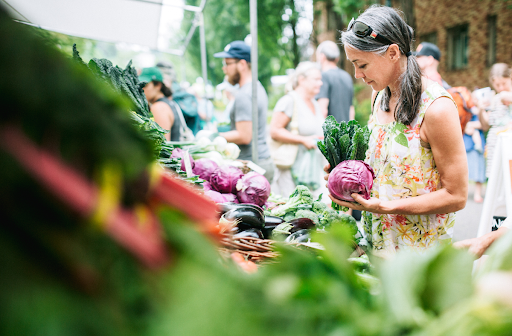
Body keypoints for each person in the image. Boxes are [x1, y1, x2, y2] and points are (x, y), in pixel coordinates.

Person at [327, 5, 468, 254]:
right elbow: (386, 167)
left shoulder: (437, 108)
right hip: (375, 248)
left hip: (418, 257)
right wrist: (346, 170)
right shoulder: (378, 96)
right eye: (353, 65)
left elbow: (456, 196)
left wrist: (387, 207)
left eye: (362, 65)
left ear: (393, 52)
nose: (357, 75)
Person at [214, 41, 274, 182]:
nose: (224, 69)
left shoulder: (244, 94)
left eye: (227, 64)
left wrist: (215, 136)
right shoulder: (257, 87)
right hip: (262, 161)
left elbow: (244, 136)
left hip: (252, 166)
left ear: (242, 64)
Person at [270, 62, 325, 198]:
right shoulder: (289, 100)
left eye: (320, 79)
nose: (320, 83)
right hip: (290, 172)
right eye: (316, 79)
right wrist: (303, 140)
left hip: (310, 171)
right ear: (302, 80)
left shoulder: (314, 103)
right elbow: (274, 131)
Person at [474, 63, 512, 178]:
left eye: (504, 83)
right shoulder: (495, 98)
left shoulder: (503, 96)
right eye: (497, 84)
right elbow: (486, 125)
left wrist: (503, 96)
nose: (500, 87)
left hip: (508, 144)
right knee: (496, 178)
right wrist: (481, 109)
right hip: (494, 144)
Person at [315, 40, 355, 121]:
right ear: (337, 58)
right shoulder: (346, 76)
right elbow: (351, 109)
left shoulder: (323, 76)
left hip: (331, 132)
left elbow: (322, 110)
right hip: (345, 131)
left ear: (322, 57)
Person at [139, 67, 181, 141]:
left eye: (145, 85)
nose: (141, 89)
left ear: (158, 85)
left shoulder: (158, 107)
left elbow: (163, 145)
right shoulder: (168, 102)